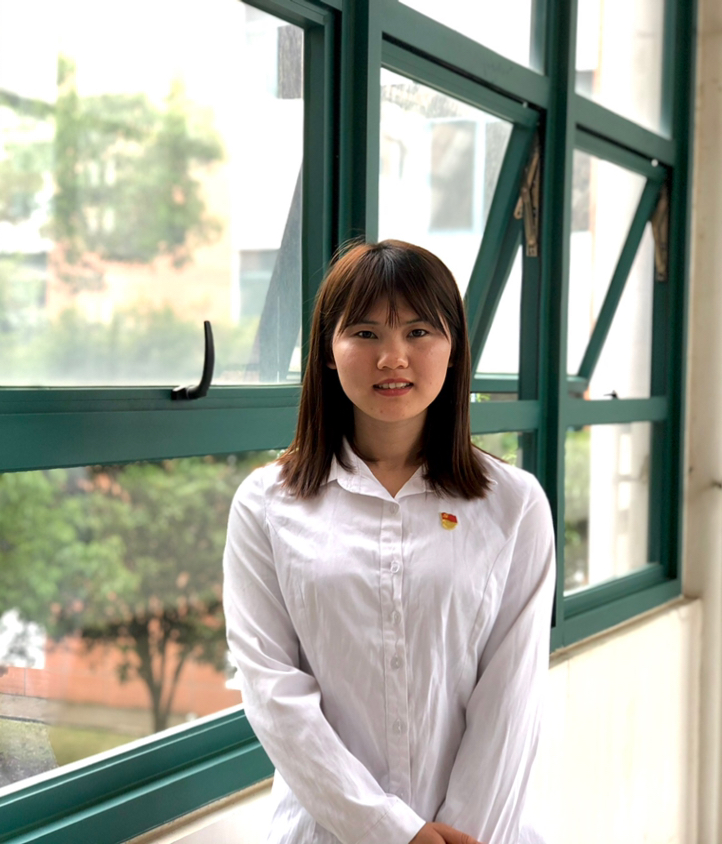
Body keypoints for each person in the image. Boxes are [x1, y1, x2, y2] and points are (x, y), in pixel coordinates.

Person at [223, 239, 555, 844]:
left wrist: (456, 835)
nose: (393, 357)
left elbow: (512, 696)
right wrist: (391, 832)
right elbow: (273, 694)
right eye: (366, 333)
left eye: (419, 332)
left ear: (454, 349)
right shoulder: (265, 504)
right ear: (328, 351)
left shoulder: (514, 504)